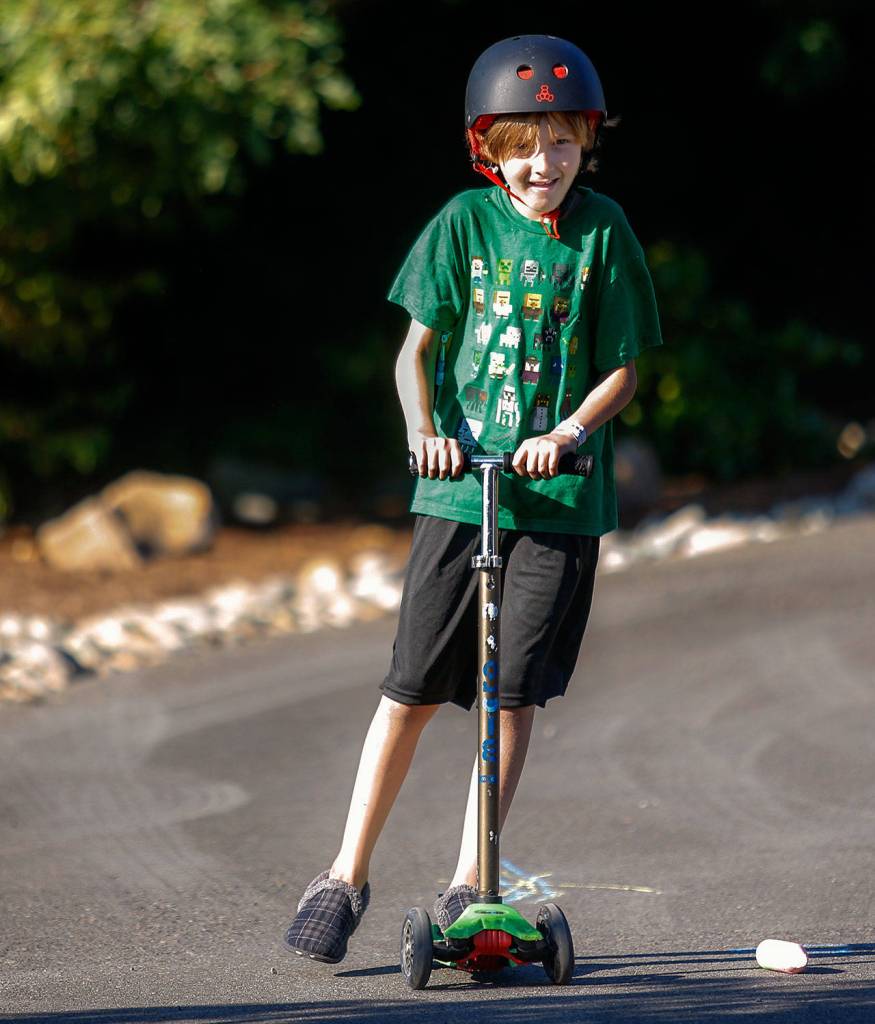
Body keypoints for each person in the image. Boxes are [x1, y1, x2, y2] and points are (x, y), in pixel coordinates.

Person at [284, 33, 662, 965]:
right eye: (525, 146)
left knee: (510, 696)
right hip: (460, 495)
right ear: (489, 151)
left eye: (564, 142)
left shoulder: (603, 231)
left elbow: (620, 369)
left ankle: (471, 882)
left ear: (586, 142)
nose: (546, 164)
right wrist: (424, 430)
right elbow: (415, 350)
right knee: (410, 689)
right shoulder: (460, 223)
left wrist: (566, 434)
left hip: (558, 499)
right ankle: (343, 872)